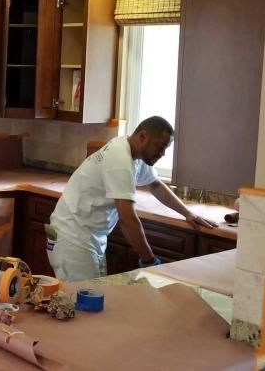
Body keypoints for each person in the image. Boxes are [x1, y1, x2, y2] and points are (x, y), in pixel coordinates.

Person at [45, 116, 217, 282]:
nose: (162, 153)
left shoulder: (134, 154)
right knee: (84, 305)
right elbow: (127, 219)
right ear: (143, 136)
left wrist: (188, 213)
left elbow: (155, 185)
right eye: (160, 146)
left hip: (88, 238)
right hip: (73, 240)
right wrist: (149, 260)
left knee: (95, 299)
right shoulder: (120, 159)